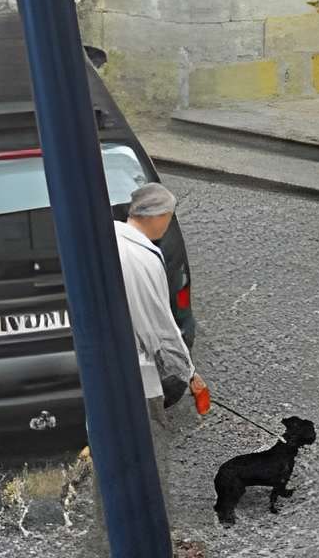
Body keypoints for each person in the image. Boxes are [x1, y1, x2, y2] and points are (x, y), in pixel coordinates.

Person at [115, 180, 207, 544]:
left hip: (105, 370)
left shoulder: (110, 235)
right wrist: (190, 375)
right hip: (139, 377)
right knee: (151, 451)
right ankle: (153, 530)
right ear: (159, 218)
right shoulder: (144, 257)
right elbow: (161, 327)